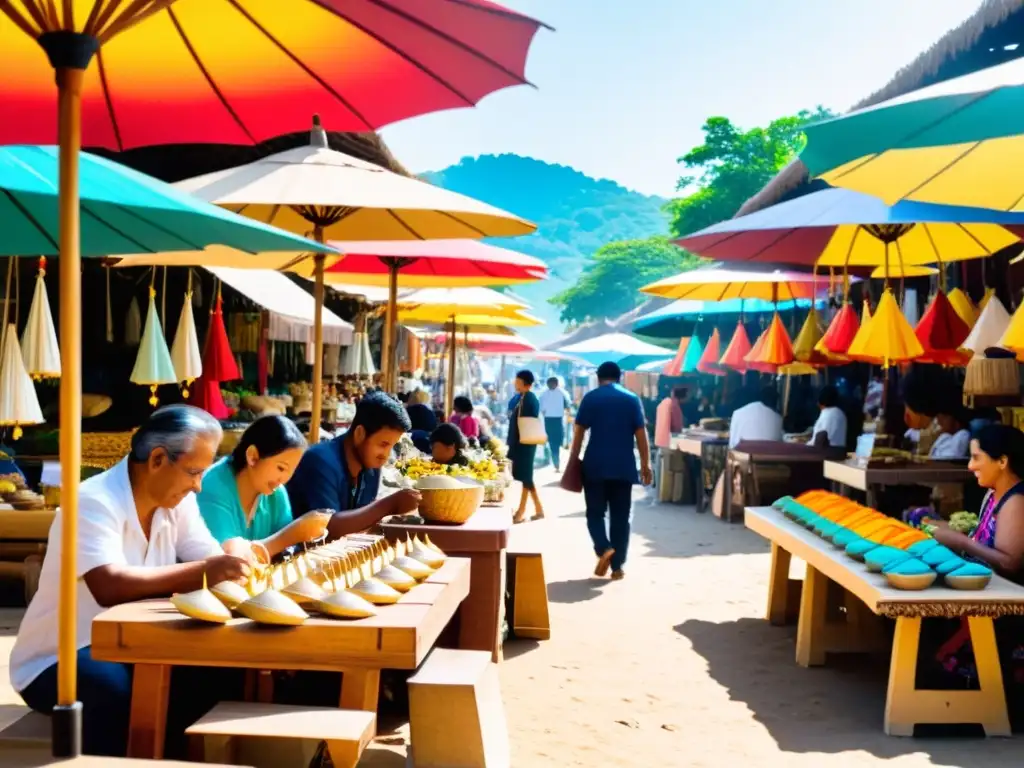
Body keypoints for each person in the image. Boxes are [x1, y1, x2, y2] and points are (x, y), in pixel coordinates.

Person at [9, 406, 251, 757]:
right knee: (114, 690)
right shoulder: (93, 500)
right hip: (59, 658)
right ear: (157, 460)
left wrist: (236, 563)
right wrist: (206, 571)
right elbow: (109, 585)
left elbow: (208, 556)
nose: (198, 486)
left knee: (214, 674)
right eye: (194, 472)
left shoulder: (176, 503)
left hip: (138, 643)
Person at [923, 425, 1024, 687]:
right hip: (985, 596)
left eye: (976, 457)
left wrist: (959, 541)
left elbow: (1010, 563)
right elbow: (983, 540)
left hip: (1007, 614)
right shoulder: (993, 495)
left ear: (1002, 461)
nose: (970, 466)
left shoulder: (1016, 502)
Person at [286, 392, 420, 536]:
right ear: (360, 434)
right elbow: (326, 528)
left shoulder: (371, 467)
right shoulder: (320, 461)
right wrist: (390, 504)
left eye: (392, 446)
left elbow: (363, 522)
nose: (386, 455)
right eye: (383, 444)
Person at [197, 415, 330, 560]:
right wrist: (291, 535)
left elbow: (285, 552)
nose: (284, 479)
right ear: (253, 456)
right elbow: (226, 561)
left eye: (291, 471)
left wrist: (305, 535)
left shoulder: (276, 492)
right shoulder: (213, 486)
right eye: (281, 468)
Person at [569, 361, 652, 580]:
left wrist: (573, 459)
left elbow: (578, 432)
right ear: (620, 377)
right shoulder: (631, 399)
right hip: (623, 466)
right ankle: (617, 567)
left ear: (598, 377)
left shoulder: (591, 398)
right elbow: (641, 434)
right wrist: (646, 464)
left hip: (595, 465)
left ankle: (603, 548)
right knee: (621, 517)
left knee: (595, 513)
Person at [508, 369, 545, 524]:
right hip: (520, 442)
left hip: (524, 443)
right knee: (526, 477)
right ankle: (538, 509)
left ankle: (521, 512)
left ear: (525, 383)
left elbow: (527, 421)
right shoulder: (522, 397)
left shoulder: (529, 399)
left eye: (518, 381)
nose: (515, 384)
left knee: (525, 477)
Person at [539, 376, 571, 471]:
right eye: (550, 384)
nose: (551, 385)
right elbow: (568, 406)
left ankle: (554, 459)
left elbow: (542, 410)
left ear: (556, 384)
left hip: (555, 419)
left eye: (552, 383)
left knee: (555, 441)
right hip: (552, 420)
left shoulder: (560, 393)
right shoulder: (560, 393)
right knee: (553, 442)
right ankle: (555, 461)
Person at [810, 385, 848, 453]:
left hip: (825, 455)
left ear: (819, 402)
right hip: (838, 454)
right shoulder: (841, 413)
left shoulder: (826, 414)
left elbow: (819, 442)